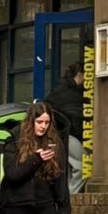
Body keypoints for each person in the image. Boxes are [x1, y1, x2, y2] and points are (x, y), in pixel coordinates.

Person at [46, 63, 85, 195]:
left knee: (68, 168)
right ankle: (71, 197)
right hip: (68, 134)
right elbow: (74, 114)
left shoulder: (60, 89)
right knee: (82, 167)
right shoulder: (73, 94)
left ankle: (65, 196)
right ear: (79, 75)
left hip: (59, 134)